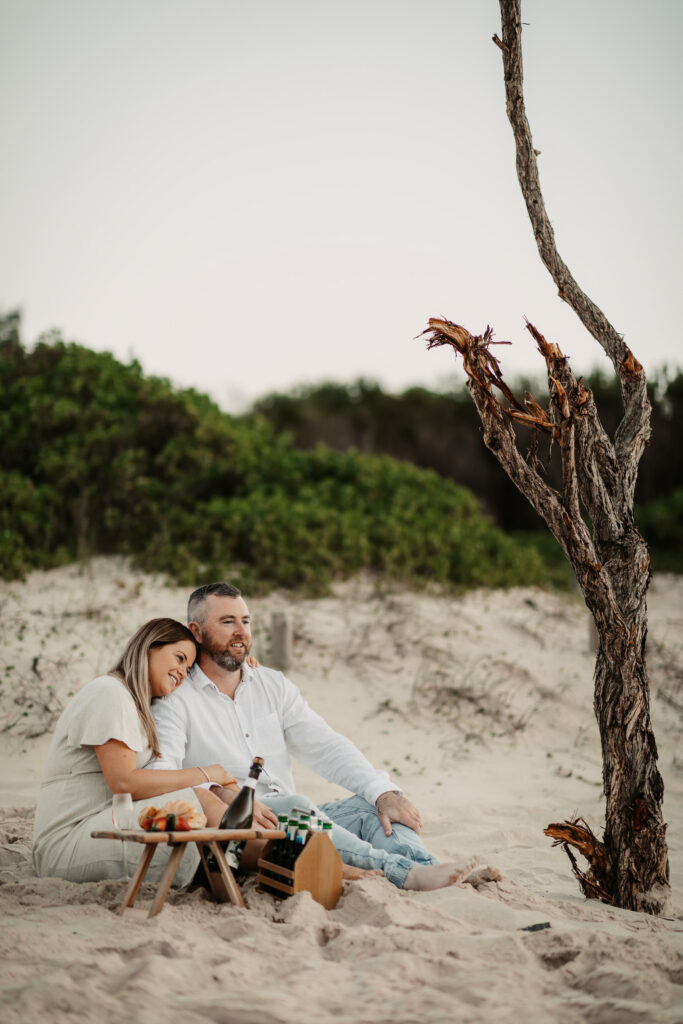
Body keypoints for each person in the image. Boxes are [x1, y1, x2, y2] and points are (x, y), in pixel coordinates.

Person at [150, 584, 498, 891]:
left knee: (369, 807)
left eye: (246, 621)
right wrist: (224, 796)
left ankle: (431, 868)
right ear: (196, 631)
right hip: (248, 832)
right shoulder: (176, 699)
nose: (241, 632)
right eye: (227, 622)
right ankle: (402, 873)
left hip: (294, 813)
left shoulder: (272, 684)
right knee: (298, 807)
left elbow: (326, 745)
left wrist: (382, 792)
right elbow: (163, 778)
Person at [33, 618, 249, 887]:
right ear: (149, 647)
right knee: (197, 801)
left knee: (202, 802)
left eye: (189, 667)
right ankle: (266, 862)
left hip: (103, 822)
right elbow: (124, 783)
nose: (183, 672)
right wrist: (205, 773)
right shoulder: (110, 693)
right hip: (67, 842)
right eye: (179, 658)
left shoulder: (135, 704)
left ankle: (266, 856)